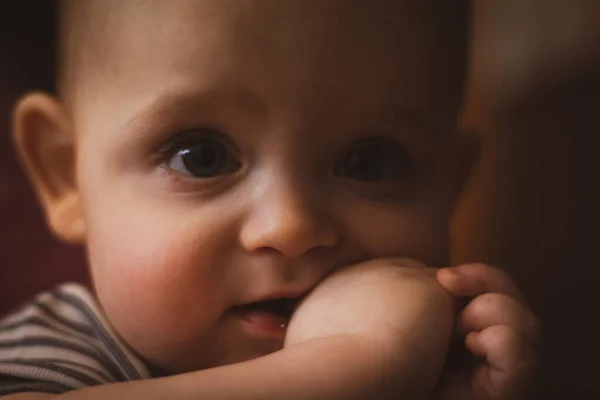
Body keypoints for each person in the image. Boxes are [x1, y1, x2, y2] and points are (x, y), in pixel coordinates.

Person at [0, 0, 539, 398]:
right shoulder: (54, 354)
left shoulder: (430, 363)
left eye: (369, 163)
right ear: (65, 175)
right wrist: (357, 362)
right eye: (200, 156)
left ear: (450, 186)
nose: (292, 226)